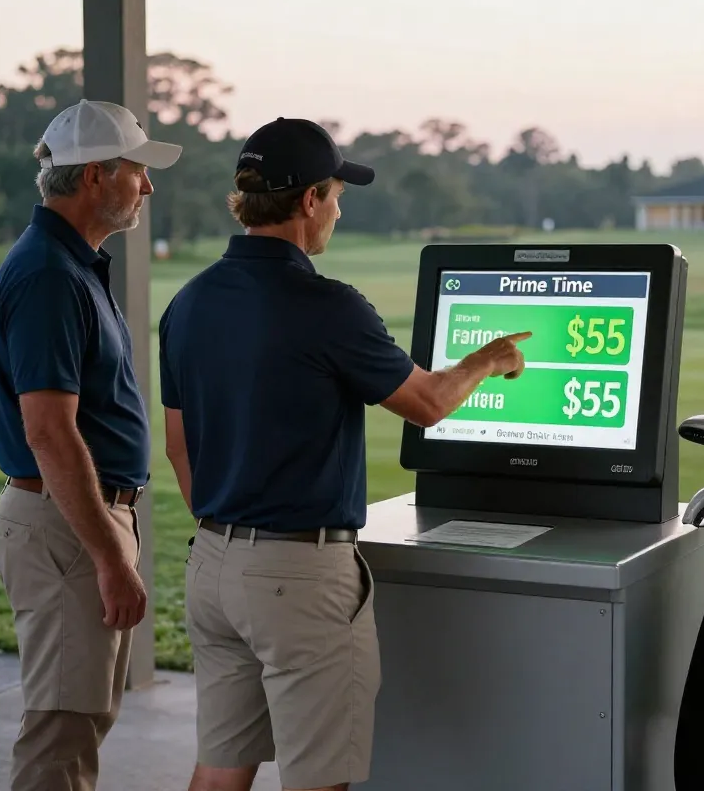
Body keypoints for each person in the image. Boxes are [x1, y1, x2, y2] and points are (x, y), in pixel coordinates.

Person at [158, 117, 530, 791]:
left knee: (219, 770)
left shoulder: (189, 302)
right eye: (335, 195)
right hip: (297, 578)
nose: (337, 209)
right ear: (308, 201)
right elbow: (427, 403)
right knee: (318, 778)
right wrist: (490, 357)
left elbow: (179, 446)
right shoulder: (327, 306)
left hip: (212, 565)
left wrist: (233, 533)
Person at [0, 99, 183, 791]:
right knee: (61, 734)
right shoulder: (48, 276)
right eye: (137, 170)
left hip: (76, 523)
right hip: (67, 529)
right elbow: (47, 430)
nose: (147, 187)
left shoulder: (70, 265)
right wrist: (107, 557)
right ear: (97, 175)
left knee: (79, 724)